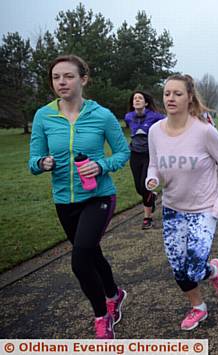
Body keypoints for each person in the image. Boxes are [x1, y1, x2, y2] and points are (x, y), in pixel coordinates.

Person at [28, 54, 130, 339]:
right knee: (91, 253)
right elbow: (33, 160)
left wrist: (101, 165)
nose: (62, 82)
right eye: (56, 77)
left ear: (83, 79)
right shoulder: (43, 116)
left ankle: (102, 316)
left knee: (80, 259)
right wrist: (42, 164)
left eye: (68, 76)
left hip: (98, 196)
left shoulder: (102, 115)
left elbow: (122, 152)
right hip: (64, 200)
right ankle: (114, 294)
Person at [146, 74, 218, 331]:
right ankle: (198, 307)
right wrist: (152, 179)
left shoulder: (204, 132)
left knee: (194, 269)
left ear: (189, 97)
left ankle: (213, 271)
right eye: (167, 93)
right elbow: (154, 164)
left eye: (177, 93)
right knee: (178, 269)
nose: (171, 98)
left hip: (204, 210)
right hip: (173, 209)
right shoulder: (155, 131)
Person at [123, 91, 165, 229]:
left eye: (140, 98)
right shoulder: (128, 117)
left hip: (149, 155)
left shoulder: (155, 116)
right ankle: (151, 197)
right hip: (135, 154)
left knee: (145, 185)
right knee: (138, 188)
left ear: (146, 103)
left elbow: (167, 121)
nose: (137, 100)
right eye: (134, 98)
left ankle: (147, 218)